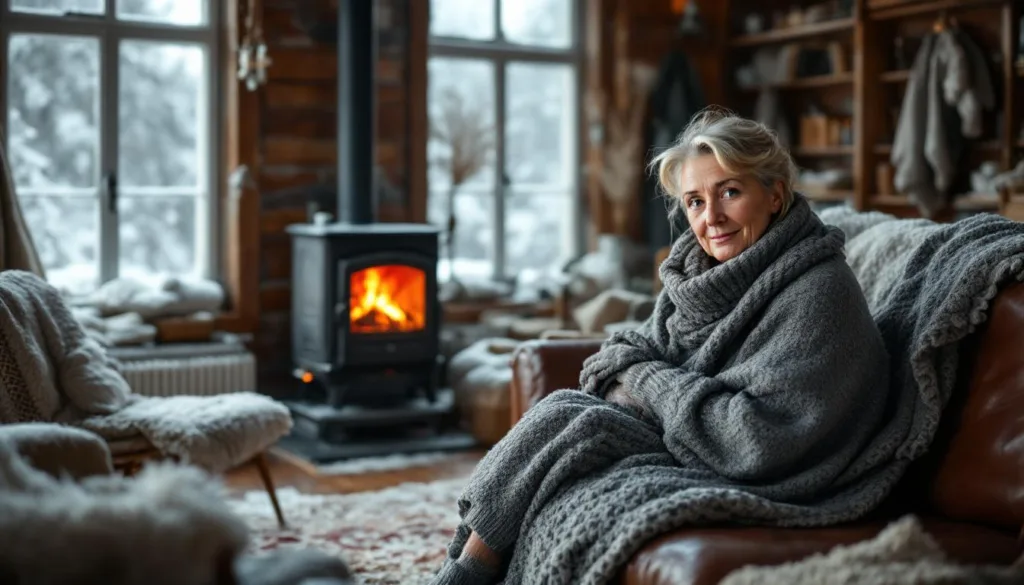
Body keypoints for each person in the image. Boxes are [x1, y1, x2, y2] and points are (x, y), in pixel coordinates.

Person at [431, 109, 893, 585]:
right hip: (691, 433)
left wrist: (646, 380)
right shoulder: (697, 277)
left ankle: (464, 576)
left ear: (774, 194)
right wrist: (644, 377)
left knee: (579, 421)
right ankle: (462, 567)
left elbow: (758, 439)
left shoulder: (819, 290)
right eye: (694, 201)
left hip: (782, 471)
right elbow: (623, 353)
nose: (710, 218)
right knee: (563, 410)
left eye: (729, 192)